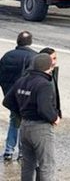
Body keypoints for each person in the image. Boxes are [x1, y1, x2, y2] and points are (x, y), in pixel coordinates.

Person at [2, 53, 59, 181]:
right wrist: (54, 117)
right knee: (47, 164)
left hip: (25, 126)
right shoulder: (44, 84)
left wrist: (22, 112)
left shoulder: (22, 80)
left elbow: (7, 101)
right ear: (48, 67)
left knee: (27, 165)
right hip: (41, 128)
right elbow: (44, 108)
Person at [0, 31, 37, 162]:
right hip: (25, 97)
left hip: (10, 96)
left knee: (14, 121)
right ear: (30, 42)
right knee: (25, 123)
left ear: (18, 41)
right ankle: (22, 153)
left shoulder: (7, 56)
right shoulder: (34, 57)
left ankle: (9, 151)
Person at [38, 48, 61, 120]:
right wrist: (53, 117)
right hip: (41, 121)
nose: (54, 62)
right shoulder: (37, 78)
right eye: (51, 59)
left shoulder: (51, 73)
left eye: (55, 58)